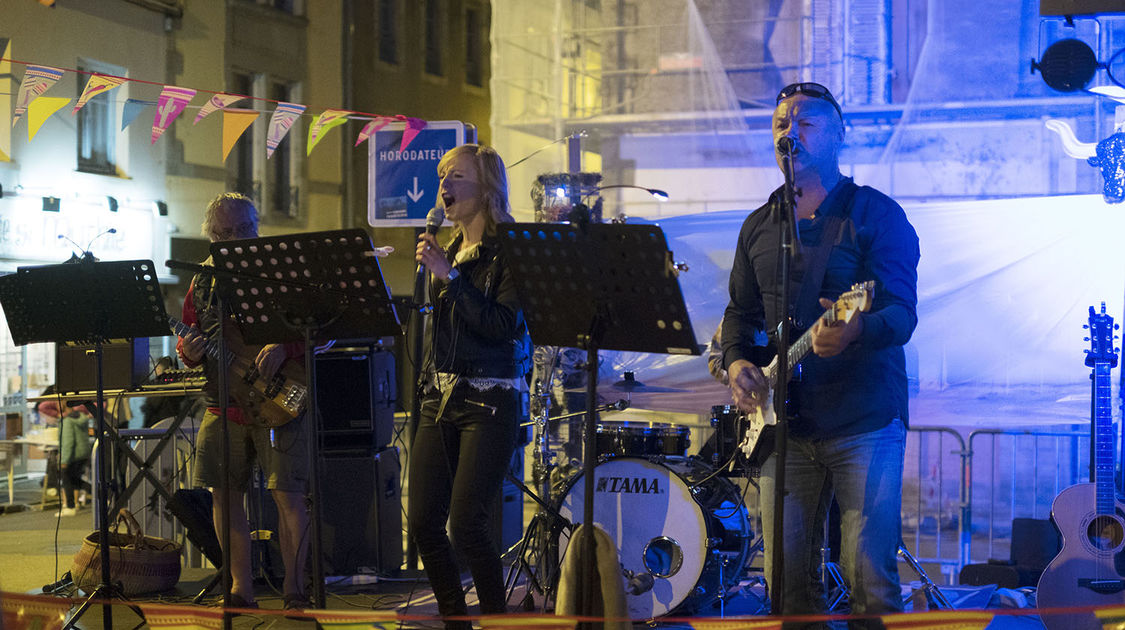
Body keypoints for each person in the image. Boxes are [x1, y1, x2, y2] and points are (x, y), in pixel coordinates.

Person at [720, 82, 919, 628]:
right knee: (784, 580)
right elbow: (739, 314)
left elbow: (901, 314)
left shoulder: (876, 215)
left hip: (863, 420)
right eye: (782, 123)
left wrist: (856, 332)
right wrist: (738, 363)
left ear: (837, 137)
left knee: (868, 575)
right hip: (785, 428)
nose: (791, 131)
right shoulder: (759, 226)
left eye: (806, 123)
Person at [409, 143, 532, 629]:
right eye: (441, 176)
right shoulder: (450, 251)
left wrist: (450, 279)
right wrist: (441, 274)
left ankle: (497, 620)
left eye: (455, 176)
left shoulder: (511, 249)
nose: (444, 186)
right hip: (440, 398)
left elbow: (503, 326)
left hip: (491, 398)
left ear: (485, 186)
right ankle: (455, 618)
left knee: (467, 524)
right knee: (421, 522)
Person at [176, 193, 311, 610]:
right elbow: (189, 337)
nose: (234, 240)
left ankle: (295, 590)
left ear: (257, 228)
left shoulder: (281, 271)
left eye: (243, 230)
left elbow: (318, 326)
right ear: (210, 236)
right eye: (224, 233)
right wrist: (189, 352)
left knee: (287, 495)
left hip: (277, 402)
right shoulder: (201, 282)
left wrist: (284, 346)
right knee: (223, 495)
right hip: (223, 403)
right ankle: (239, 589)